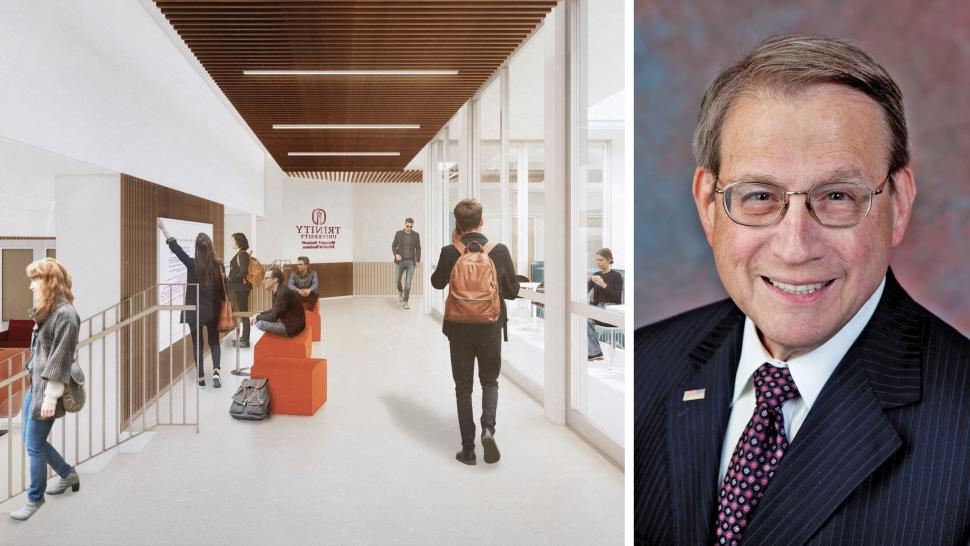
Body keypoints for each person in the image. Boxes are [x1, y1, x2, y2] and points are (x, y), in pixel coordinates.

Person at [634, 35, 970, 545]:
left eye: (837, 196)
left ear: (898, 203)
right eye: (760, 196)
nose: (795, 247)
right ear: (708, 203)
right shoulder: (644, 365)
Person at [431, 199, 519, 466]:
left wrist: (453, 248)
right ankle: (488, 429)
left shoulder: (451, 251)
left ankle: (468, 450)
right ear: (482, 221)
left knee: (463, 388)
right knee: (489, 382)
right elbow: (513, 292)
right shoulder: (498, 250)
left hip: (458, 329)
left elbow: (436, 283)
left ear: (458, 224)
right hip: (490, 327)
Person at [11, 258, 82, 521]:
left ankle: (34, 499)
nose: (30, 286)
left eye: (35, 280)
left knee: (33, 445)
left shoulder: (66, 315)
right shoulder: (49, 310)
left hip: (47, 389)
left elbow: (61, 358)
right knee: (32, 441)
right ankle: (67, 473)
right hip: (36, 385)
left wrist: (51, 396)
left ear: (49, 281)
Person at [158, 219, 226, 389]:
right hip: (212, 310)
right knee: (214, 341)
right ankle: (216, 371)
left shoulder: (191, 264)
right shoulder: (218, 266)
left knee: (197, 343)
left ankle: (201, 377)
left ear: (197, 248)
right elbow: (223, 290)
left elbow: (175, 248)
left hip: (194, 311)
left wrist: (163, 228)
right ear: (210, 247)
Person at [586, 247, 623, 361]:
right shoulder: (596, 274)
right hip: (598, 307)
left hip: (611, 308)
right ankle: (593, 351)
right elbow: (584, 292)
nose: (598, 262)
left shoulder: (616, 276)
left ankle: (595, 352)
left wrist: (603, 285)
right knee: (579, 313)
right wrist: (585, 283)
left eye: (601, 260)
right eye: (597, 260)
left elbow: (617, 298)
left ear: (609, 260)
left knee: (586, 318)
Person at [253, 266, 306, 338]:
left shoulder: (281, 293)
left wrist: (258, 317)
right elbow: (274, 310)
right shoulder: (280, 290)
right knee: (261, 319)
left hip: (292, 327)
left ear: (275, 280)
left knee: (259, 324)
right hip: (292, 321)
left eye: (266, 278)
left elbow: (273, 317)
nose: (263, 281)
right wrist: (260, 314)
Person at [226, 232, 252, 348]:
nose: (231, 243)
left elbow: (243, 271)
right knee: (243, 313)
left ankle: (245, 341)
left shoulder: (242, 254)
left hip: (241, 288)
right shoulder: (242, 254)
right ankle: (243, 338)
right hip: (241, 288)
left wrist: (231, 278)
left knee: (244, 314)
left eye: (232, 240)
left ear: (238, 242)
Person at [391, 217, 421, 309]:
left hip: (410, 262)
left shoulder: (416, 235)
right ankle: (400, 292)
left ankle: (405, 302)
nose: (409, 228)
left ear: (412, 226)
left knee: (408, 282)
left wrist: (418, 260)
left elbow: (418, 248)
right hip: (400, 261)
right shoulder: (398, 233)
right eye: (407, 226)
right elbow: (393, 245)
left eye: (411, 226)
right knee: (397, 281)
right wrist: (396, 254)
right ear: (405, 224)